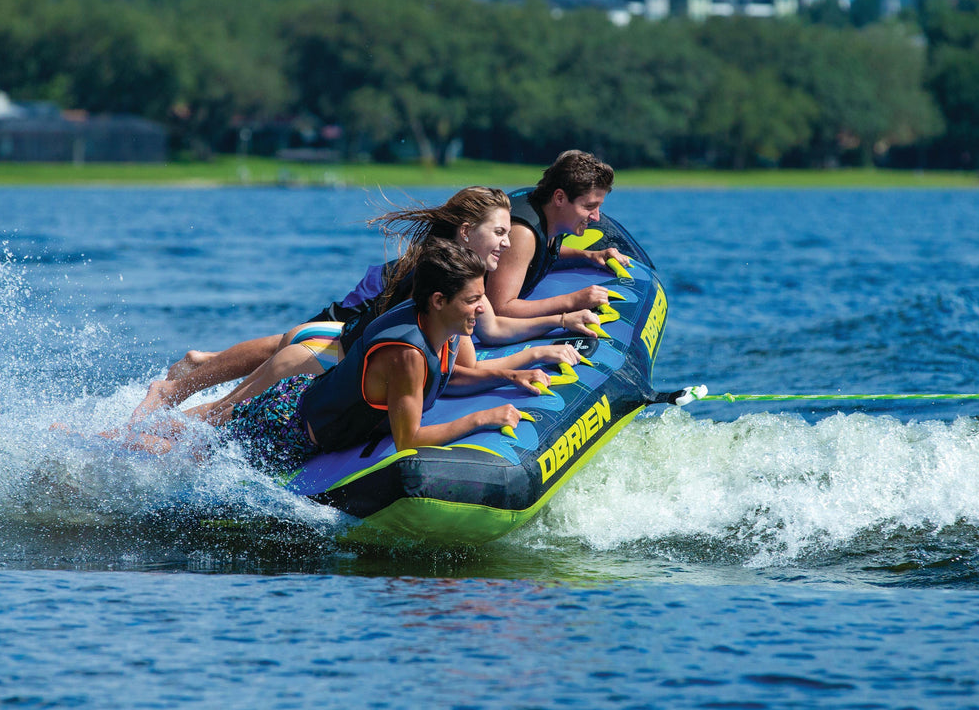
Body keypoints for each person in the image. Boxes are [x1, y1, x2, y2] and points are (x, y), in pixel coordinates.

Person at [132, 187, 596, 423]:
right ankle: (151, 416)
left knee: (222, 413)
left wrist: (539, 342)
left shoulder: (456, 274)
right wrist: (532, 355)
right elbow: (463, 365)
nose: (507, 241)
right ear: (464, 233)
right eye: (498, 232)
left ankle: (171, 399)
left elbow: (475, 343)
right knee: (218, 418)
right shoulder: (446, 279)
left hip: (330, 344)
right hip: (325, 351)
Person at [134, 241, 527, 474]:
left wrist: (508, 376)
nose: (482, 308)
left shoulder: (441, 328)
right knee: (189, 453)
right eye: (474, 300)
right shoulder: (407, 354)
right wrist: (482, 418)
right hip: (285, 427)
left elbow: (446, 375)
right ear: (439, 301)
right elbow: (409, 439)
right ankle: (107, 445)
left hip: (303, 394)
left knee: (205, 427)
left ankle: (136, 428)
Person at [485, 149, 632, 319]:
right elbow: (499, 310)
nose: (596, 218)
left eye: (599, 207)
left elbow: (533, 253)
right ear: (560, 198)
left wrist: (589, 255)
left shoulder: (548, 211)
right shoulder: (523, 233)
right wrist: (573, 301)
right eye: (589, 207)